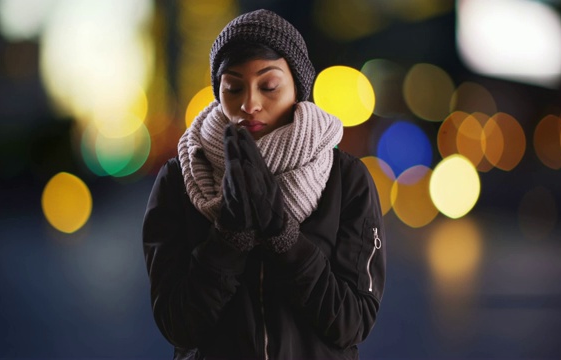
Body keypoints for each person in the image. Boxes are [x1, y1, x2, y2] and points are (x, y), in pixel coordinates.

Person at [142, 9, 386, 360]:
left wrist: (284, 237)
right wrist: (228, 237)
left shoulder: (346, 179)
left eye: (269, 86)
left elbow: (352, 323)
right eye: (233, 87)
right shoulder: (180, 179)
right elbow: (177, 325)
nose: (249, 104)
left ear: (297, 87)